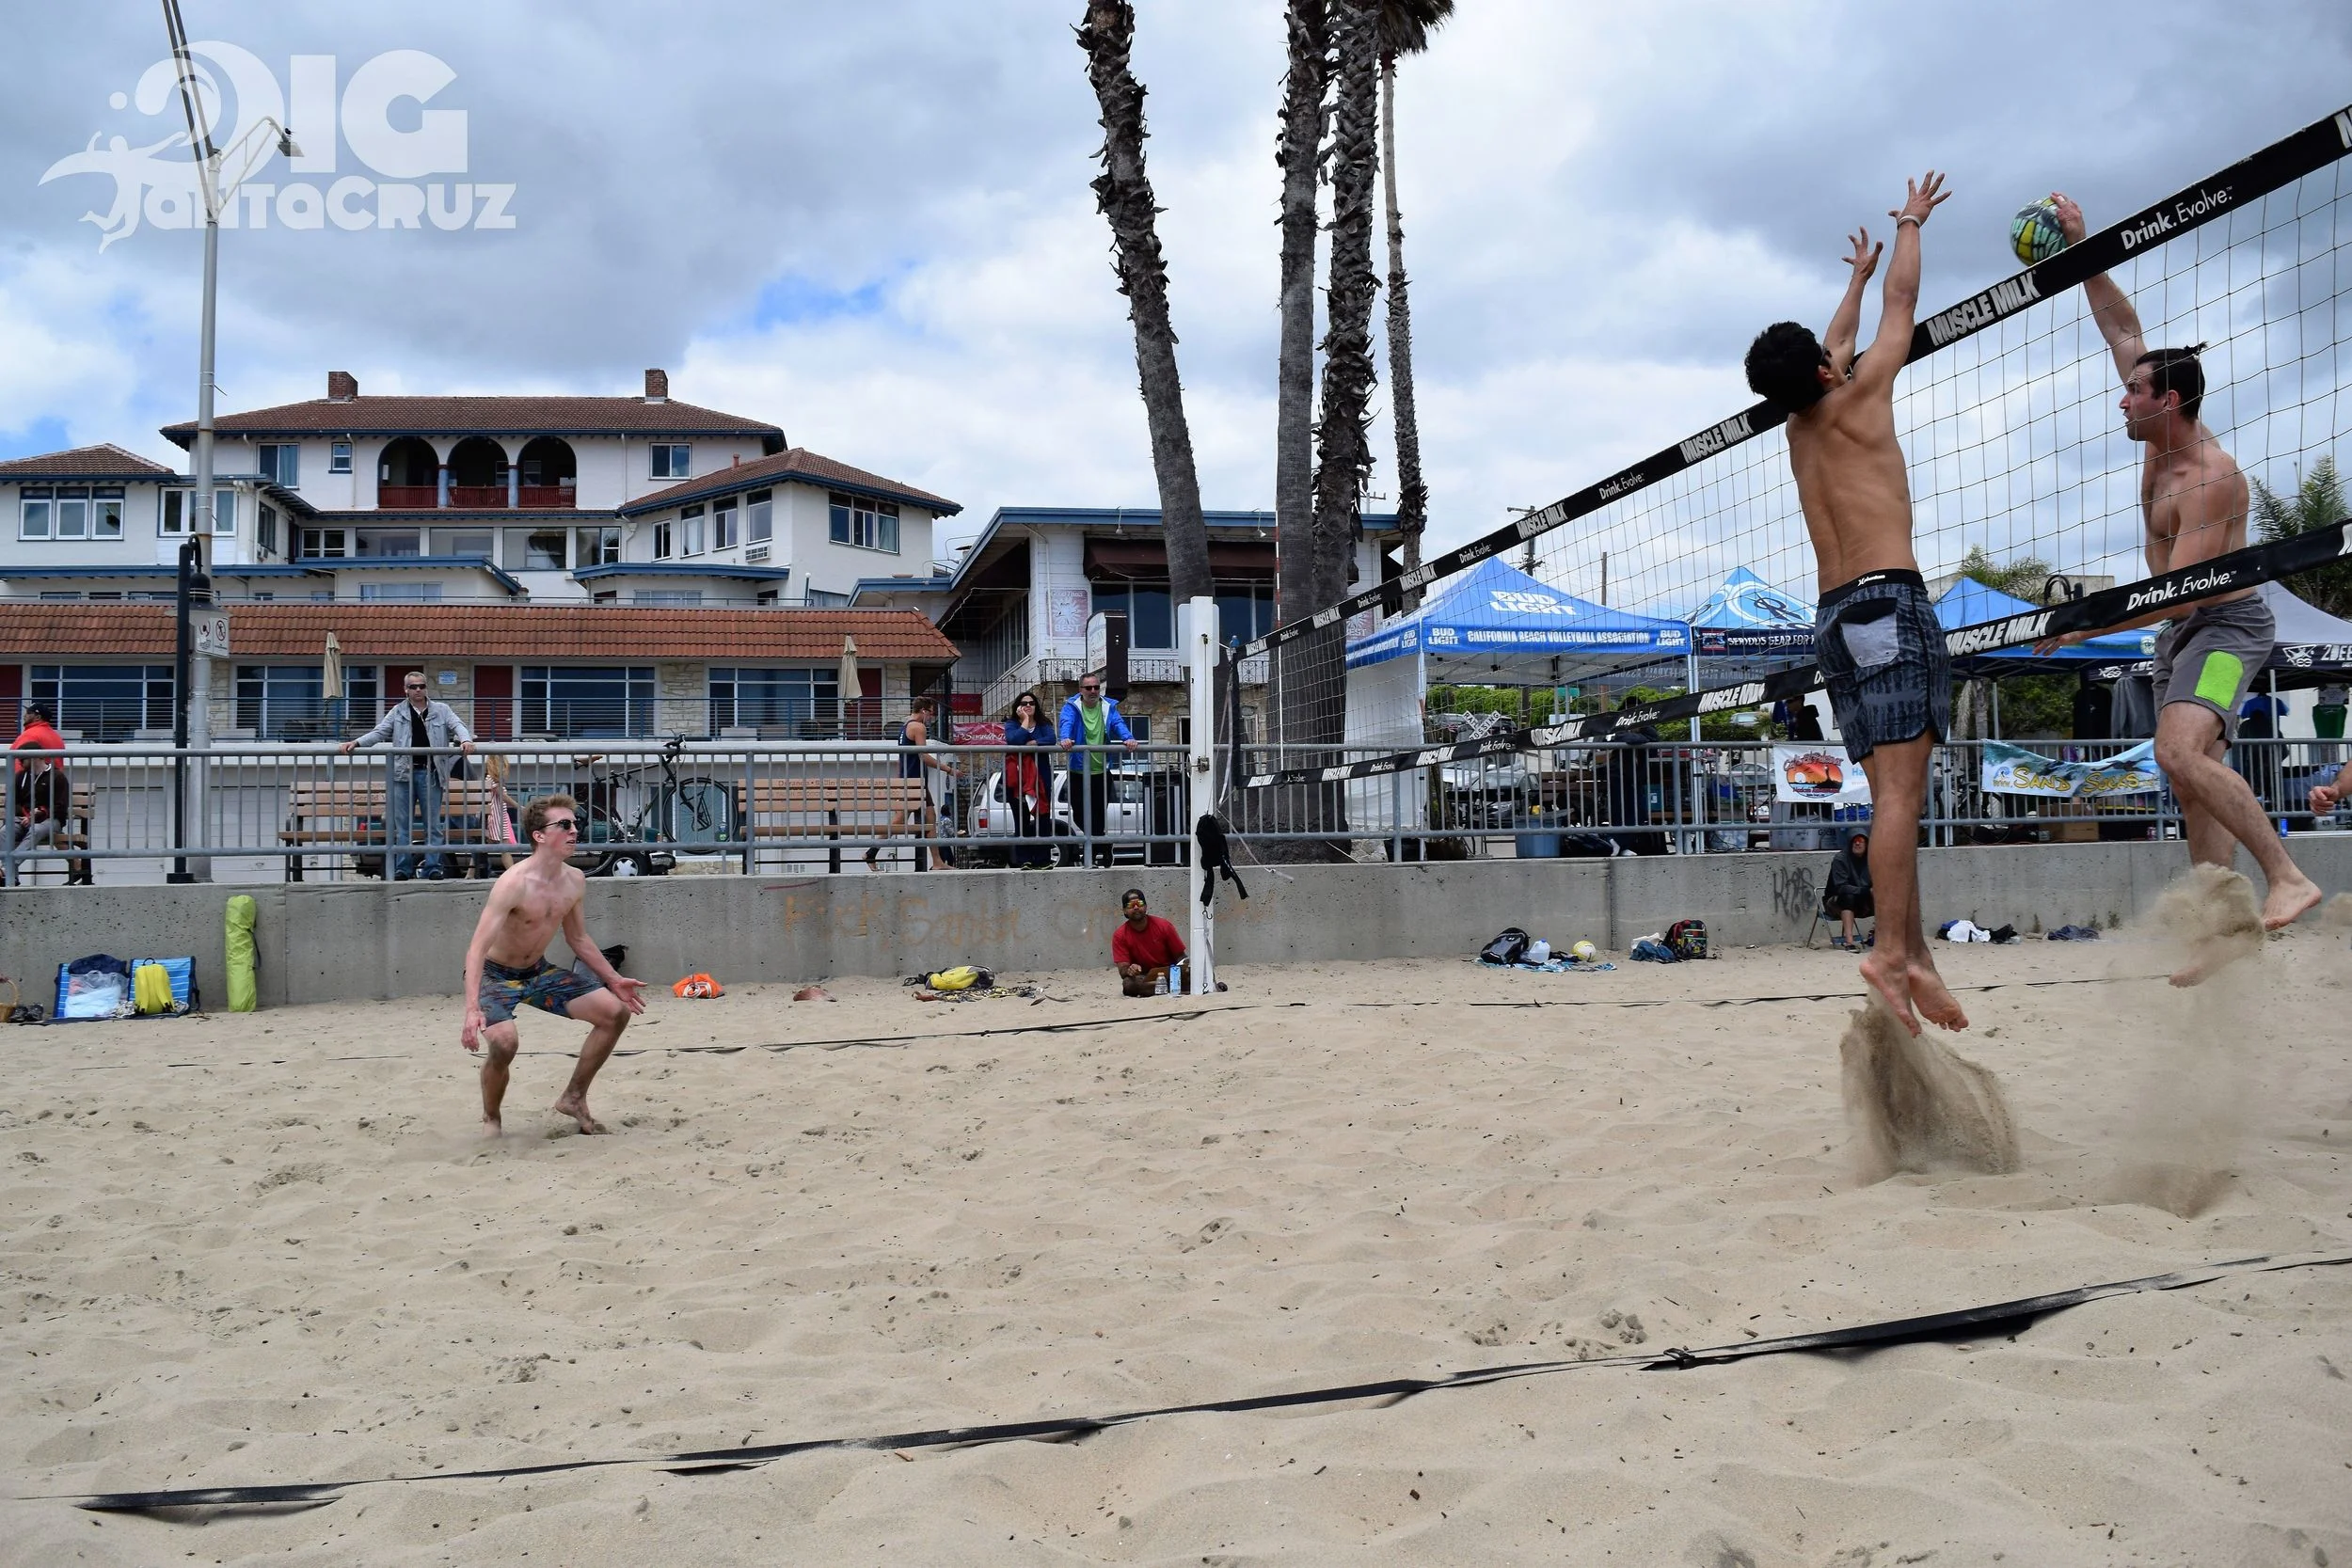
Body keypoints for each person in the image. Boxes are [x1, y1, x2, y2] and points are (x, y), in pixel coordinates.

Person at [2032, 191, 2321, 958]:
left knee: (2179, 753)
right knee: (2192, 779)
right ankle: (2220, 922)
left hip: (2227, 627)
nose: (2121, 399)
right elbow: (2121, 326)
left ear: (2171, 401)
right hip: (2181, 633)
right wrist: (2081, 246)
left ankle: (2288, 875)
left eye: (2134, 392)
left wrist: (2085, 624)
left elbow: (2182, 591)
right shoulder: (2158, 443)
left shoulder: (2205, 478)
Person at [1744, 170, 1965, 1035]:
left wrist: (1855, 278)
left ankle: (1916, 956)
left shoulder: (1798, 426)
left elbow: (1837, 337)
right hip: (1886, 601)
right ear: (1831, 373)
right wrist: (1908, 226)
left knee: (1889, 796)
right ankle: (1890, 951)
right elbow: (1903, 306)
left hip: (1832, 618)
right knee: (1904, 798)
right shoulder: (1863, 393)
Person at [460, 793, 646, 1136]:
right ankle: (492, 1118)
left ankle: (574, 1097)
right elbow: (476, 950)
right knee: (504, 1044)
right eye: (564, 825)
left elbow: (577, 939)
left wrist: (613, 978)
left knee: (614, 1013)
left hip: (537, 972)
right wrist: (472, 1009)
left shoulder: (574, 879)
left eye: (575, 824)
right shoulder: (513, 883)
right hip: (495, 975)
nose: (574, 831)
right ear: (539, 836)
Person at [342, 671, 476, 879]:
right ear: (406, 690)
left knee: (433, 825)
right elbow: (379, 732)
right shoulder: (397, 712)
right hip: (402, 774)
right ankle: (403, 869)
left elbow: (458, 724)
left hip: (430, 773)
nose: (418, 690)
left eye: (422, 686)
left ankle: (433, 868)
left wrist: (465, 740)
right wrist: (357, 743)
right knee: (402, 826)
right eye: (413, 687)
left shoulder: (442, 710)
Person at [868, 695, 956, 871]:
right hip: (914, 782)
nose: (931, 718)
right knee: (901, 819)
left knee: (929, 818)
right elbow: (924, 756)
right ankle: (871, 853)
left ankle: (937, 862)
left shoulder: (905, 727)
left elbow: (904, 758)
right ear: (923, 711)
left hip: (911, 781)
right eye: (931, 713)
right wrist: (949, 769)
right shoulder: (918, 727)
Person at [1058, 676, 1138, 868]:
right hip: (1078, 769)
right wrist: (1065, 738)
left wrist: (1128, 738)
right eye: (1088, 688)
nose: (1093, 691)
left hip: (1101, 771)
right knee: (1079, 814)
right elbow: (1066, 723)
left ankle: (1093, 856)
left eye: (1096, 687)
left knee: (1098, 816)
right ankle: (1103, 843)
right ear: (1081, 689)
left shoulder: (1108, 706)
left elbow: (1118, 724)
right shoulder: (1072, 706)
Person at [1002, 690, 1057, 869]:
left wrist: (1034, 744)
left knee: (1042, 819)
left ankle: (1042, 860)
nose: (1028, 706)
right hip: (1017, 781)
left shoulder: (1043, 724)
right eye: (1024, 703)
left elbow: (1051, 739)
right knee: (1022, 820)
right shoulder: (1012, 724)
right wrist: (1024, 721)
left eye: (1031, 703)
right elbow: (1014, 740)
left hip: (1040, 779)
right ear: (1018, 707)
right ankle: (1023, 859)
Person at [3, 752, 69, 888]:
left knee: (36, 830)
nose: (20, 762)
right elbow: (11, 802)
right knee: (5, 830)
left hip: (50, 820)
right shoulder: (21, 776)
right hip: (24, 818)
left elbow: (60, 807)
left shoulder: (57, 776)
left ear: (35, 757)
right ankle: (11, 877)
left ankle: (6, 869)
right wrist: (26, 815)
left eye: (23, 758)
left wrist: (39, 813)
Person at [1111, 886, 1184, 996]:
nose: (1136, 908)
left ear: (1145, 906)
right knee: (1128, 984)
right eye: (1131, 905)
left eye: (1139, 904)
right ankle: (1169, 989)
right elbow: (1123, 970)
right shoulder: (1119, 935)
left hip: (1169, 974)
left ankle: (1163, 988)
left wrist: (1181, 970)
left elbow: (1181, 956)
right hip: (1144, 977)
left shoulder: (1164, 926)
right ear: (1125, 911)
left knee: (1196, 974)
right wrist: (1130, 970)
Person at [1824, 827, 1875, 949]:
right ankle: (1849, 941)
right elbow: (1841, 888)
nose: (1857, 843)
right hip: (1836, 902)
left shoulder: (1872, 859)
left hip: (1862, 901)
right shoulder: (1840, 859)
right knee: (1848, 897)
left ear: (1867, 843)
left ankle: (1876, 934)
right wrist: (1866, 891)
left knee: (1882, 895)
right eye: (1854, 840)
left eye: (1861, 840)